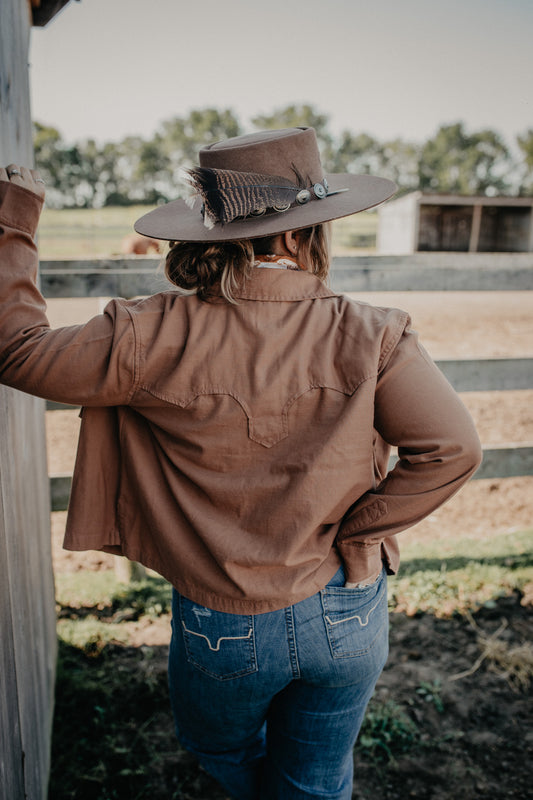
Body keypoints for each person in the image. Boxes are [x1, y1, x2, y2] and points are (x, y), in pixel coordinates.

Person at [0, 127, 482, 799]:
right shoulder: (375, 331)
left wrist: (12, 221)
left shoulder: (149, 331)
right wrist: (357, 530)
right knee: (315, 779)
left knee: (216, 747)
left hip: (222, 623)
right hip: (347, 601)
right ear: (295, 236)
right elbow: (453, 451)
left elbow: (18, 349)